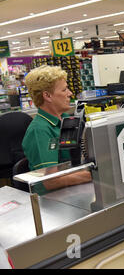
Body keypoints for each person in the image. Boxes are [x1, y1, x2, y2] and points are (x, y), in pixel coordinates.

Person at [22, 65, 91, 195]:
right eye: (64, 90)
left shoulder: (66, 119)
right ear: (47, 96)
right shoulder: (40, 130)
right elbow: (50, 181)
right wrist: (94, 175)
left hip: (74, 188)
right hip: (53, 198)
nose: (70, 93)